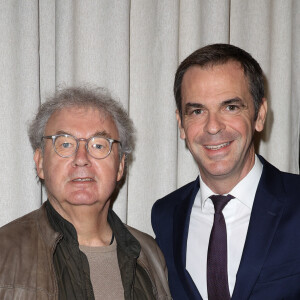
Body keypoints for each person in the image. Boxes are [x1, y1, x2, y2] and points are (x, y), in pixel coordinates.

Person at [152, 44, 300, 300]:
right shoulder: (165, 216)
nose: (212, 127)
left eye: (230, 107)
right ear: (181, 125)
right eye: (197, 111)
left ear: (260, 115)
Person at [0, 87, 171, 300]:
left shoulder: (149, 254)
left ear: (120, 166)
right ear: (40, 162)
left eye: (99, 145)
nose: (82, 158)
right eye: (65, 144)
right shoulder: (4, 252)